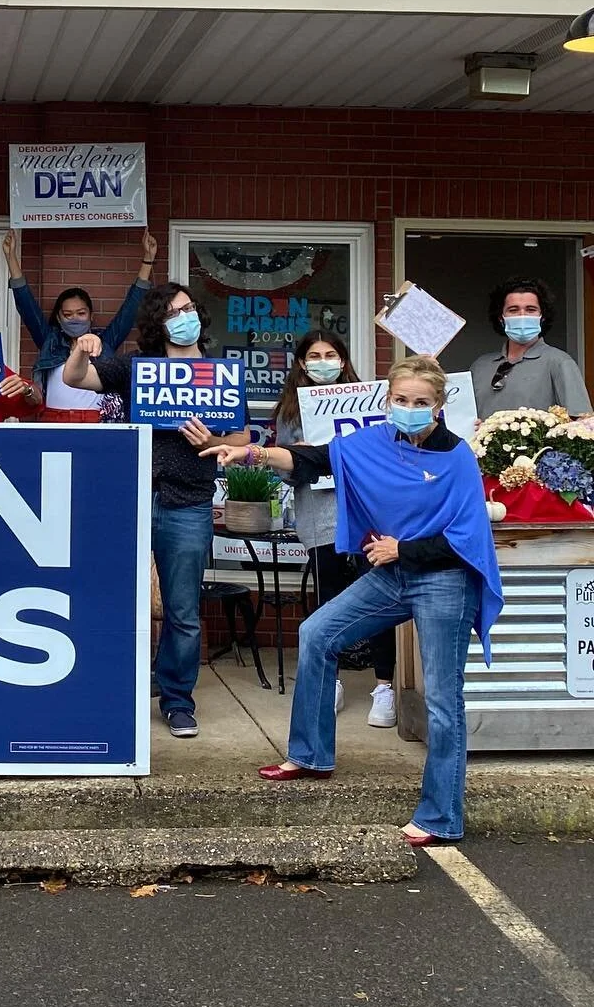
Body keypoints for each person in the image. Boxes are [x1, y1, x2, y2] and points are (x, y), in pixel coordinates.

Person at [202, 354, 502, 846]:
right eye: (401, 400)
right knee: (316, 634)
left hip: (443, 580)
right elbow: (312, 457)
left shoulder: (457, 458)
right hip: (390, 575)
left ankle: (441, 817)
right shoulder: (374, 442)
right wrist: (251, 454)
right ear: (388, 401)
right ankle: (310, 754)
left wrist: (402, 548)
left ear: (439, 407)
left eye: (420, 402)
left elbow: (468, 539)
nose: (409, 408)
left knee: (443, 699)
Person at [63, 283, 251, 739]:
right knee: (113, 600)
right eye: (172, 313)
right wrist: (80, 348)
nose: (182, 317)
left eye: (187, 308)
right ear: (158, 324)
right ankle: (110, 691)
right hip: (131, 496)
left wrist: (215, 443)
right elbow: (75, 380)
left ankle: (177, 700)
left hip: (188, 501)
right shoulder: (135, 368)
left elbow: (244, 437)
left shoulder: (220, 374)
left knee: (183, 610)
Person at [271, 330, 397, 728]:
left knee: (379, 598)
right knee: (330, 601)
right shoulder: (290, 413)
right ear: (301, 363)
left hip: (369, 514)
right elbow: (286, 474)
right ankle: (333, 681)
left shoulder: (372, 402)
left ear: (343, 361)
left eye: (330, 354)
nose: (322, 361)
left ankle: (385, 686)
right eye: (314, 355)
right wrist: (301, 455)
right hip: (321, 517)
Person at [1, 229, 158, 421]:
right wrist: (11, 258)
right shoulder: (50, 340)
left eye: (81, 313)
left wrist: (148, 260)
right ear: (58, 318)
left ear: (91, 316)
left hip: (96, 422)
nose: (75, 318)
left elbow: (130, 310)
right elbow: (27, 307)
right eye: (68, 314)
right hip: (53, 421)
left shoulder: (104, 342)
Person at [470, 276, 591, 418]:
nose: (522, 315)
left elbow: (582, 423)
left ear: (542, 317)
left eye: (530, 309)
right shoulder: (480, 366)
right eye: (513, 310)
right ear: (501, 318)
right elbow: (460, 418)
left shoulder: (559, 362)